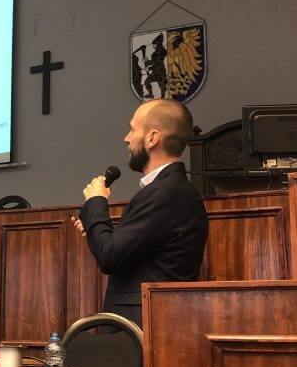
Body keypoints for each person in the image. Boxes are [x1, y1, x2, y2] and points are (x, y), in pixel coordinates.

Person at [71, 99, 208, 327]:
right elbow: (130, 251)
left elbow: (109, 257)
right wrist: (95, 229)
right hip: (152, 323)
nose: (126, 138)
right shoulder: (172, 190)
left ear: (152, 138)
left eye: (133, 129)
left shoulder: (163, 193)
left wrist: (97, 201)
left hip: (143, 328)